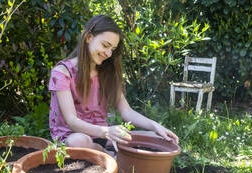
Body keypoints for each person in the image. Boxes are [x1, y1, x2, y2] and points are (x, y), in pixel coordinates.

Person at [48, 15, 178, 153]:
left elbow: (126, 111)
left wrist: (155, 126)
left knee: (154, 137)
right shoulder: (62, 73)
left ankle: (108, 151)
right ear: (88, 38)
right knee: (79, 141)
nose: (108, 53)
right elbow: (71, 121)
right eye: (105, 45)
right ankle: (106, 154)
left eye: (112, 49)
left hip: (104, 134)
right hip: (73, 136)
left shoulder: (106, 73)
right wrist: (106, 132)